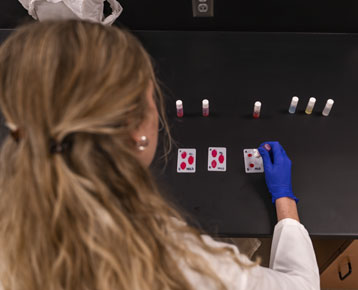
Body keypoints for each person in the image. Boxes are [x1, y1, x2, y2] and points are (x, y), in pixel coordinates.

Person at [0, 20, 319, 290]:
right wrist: (285, 200)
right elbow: (302, 285)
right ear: (137, 130)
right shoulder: (181, 262)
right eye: (148, 94)